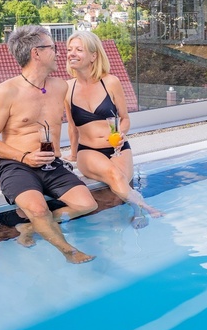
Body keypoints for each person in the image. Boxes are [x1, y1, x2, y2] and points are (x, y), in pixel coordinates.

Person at [0, 26, 96, 264]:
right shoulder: (7, 91)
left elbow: (87, 94)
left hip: (51, 164)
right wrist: (24, 157)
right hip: (17, 165)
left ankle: (29, 227)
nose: (59, 52)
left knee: (87, 203)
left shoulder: (60, 86)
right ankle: (69, 252)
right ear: (37, 53)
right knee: (39, 210)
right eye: (53, 47)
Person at [65, 31, 161, 218]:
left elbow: (125, 119)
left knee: (120, 187)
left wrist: (121, 134)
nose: (72, 54)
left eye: (78, 50)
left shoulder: (111, 82)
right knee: (115, 176)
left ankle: (130, 214)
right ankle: (144, 209)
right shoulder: (67, 88)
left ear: (93, 56)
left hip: (117, 147)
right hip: (88, 150)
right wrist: (73, 154)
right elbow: (71, 126)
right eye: (69, 50)